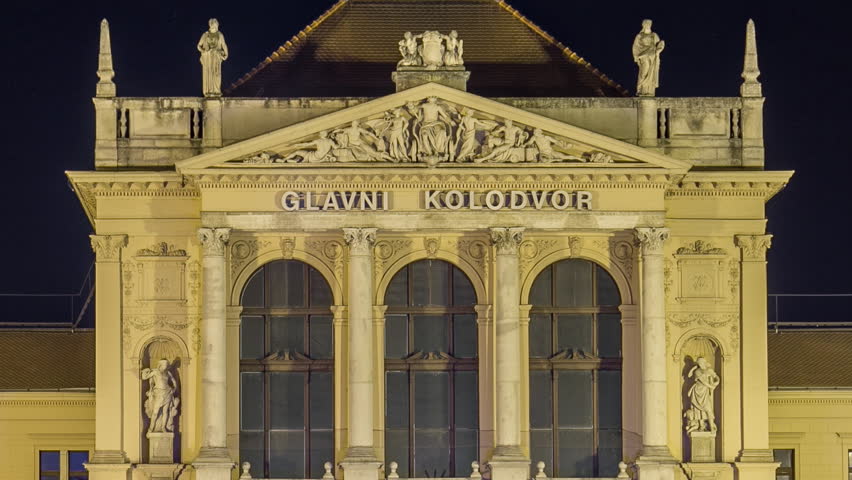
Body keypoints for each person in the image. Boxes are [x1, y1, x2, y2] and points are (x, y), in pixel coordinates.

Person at [141, 359, 179, 433]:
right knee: (155, 412)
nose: (166, 365)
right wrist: (145, 371)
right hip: (158, 393)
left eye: (167, 364)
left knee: (166, 412)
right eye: (165, 364)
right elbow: (144, 377)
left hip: (167, 392)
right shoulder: (155, 372)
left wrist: (174, 389)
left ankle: (163, 428)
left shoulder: (168, 373)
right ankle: (151, 428)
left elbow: (174, 382)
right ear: (160, 364)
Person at [686, 356, 720, 433]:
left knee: (708, 408)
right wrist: (711, 386)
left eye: (701, 362)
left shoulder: (709, 370)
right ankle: (701, 426)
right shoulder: (697, 371)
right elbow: (703, 381)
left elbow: (716, 377)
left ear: (704, 362)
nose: (700, 364)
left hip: (705, 392)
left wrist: (717, 382)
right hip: (697, 391)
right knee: (698, 410)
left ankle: (711, 426)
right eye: (699, 363)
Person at [632, 19, 664, 96]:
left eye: (649, 24)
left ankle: (649, 91)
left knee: (651, 73)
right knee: (643, 72)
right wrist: (636, 57)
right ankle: (640, 89)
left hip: (652, 56)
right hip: (643, 56)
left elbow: (660, 44)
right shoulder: (639, 36)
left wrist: (659, 49)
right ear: (643, 25)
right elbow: (635, 47)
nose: (648, 25)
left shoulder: (654, 35)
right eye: (646, 23)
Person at [197, 18, 229, 96]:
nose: (215, 26)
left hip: (216, 57)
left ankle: (216, 91)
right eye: (214, 24)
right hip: (208, 58)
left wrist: (226, 54)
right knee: (209, 73)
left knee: (216, 74)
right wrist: (204, 51)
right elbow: (198, 46)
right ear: (211, 25)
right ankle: (209, 91)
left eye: (216, 24)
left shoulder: (220, 34)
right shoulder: (205, 35)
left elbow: (224, 45)